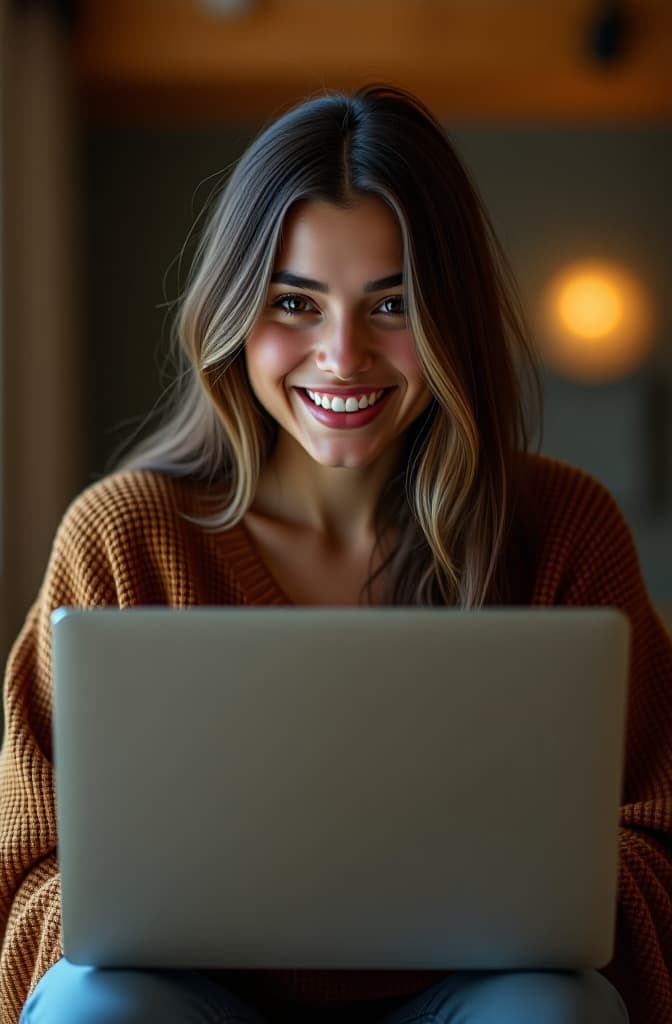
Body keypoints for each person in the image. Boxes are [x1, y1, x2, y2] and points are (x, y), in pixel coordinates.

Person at [0, 83, 670, 1024]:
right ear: (233, 314)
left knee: (550, 1009)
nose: (343, 354)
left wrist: (541, 887)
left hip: (473, 991)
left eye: (393, 303)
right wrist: (155, 898)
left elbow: (657, 836)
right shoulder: (123, 536)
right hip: (192, 995)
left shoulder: (563, 527)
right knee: (94, 1006)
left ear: (453, 318)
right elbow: (27, 876)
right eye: (295, 303)